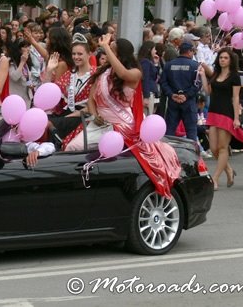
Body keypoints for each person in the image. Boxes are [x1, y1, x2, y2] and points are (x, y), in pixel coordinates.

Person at [66, 34, 181, 199]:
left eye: (112, 51)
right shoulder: (103, 73)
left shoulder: (134, 73)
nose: (107, 55)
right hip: (100, 123)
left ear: (120, 54)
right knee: (73, 148)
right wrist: (94, 114)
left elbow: (123, 74)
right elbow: (92, 99)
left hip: (122, 125)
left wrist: (106, 47)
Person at [199, 48, 243, 190]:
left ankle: (215, 178)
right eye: (221, 57)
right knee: (213, 148)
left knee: (223, 148)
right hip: (213, 112)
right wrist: (203, 75)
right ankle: (228, 170)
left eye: (225, 58)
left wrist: (236, 118)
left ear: (230, 60)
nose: (222, 60)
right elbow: (208, 91)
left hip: (226, 113)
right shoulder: (215, 74)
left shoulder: (235, 76)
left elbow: (235, 98)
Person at [52, 35, 96, 147]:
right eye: (74, 54)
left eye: (80, 54)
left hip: (83, 115)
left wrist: (74, 114)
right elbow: (54, 93)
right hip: (67, 112)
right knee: (42, 120)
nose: (76, 57)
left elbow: (96, 103)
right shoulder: (70, 74)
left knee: (49, 124)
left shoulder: (95, 75)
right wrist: (49, 71)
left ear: (89, 54)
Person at [160, 42, 201, 140]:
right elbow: (198, 84)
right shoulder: (195, 66)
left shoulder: (168, 65)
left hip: (173, 101)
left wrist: (172, 94)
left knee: (169, 130)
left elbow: (163, 83)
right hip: (189, 102)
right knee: (191, 131)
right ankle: (193, 154)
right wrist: (186, 96)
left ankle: (167, 153)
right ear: (189, 51)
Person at [7, 38, 32, 107]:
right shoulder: (10, 61)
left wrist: (30, 84)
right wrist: (22, 62)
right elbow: (15, 77)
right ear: (18, 49)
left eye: (29, 47)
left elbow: (27, 77)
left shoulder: (27, 61)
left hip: (27, 97)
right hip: (15, 98)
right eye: (25, 47)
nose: (28, 49)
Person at [138, 40, 160, 115]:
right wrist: (146, 97)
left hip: (150, 92)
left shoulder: (148, 62)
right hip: (148, 93)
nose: (155, 51)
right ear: (149, 50)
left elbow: (154, 76)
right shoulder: (145, 62)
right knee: (147, 115)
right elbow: (145, 79)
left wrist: (156, 64)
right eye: (154, 49)